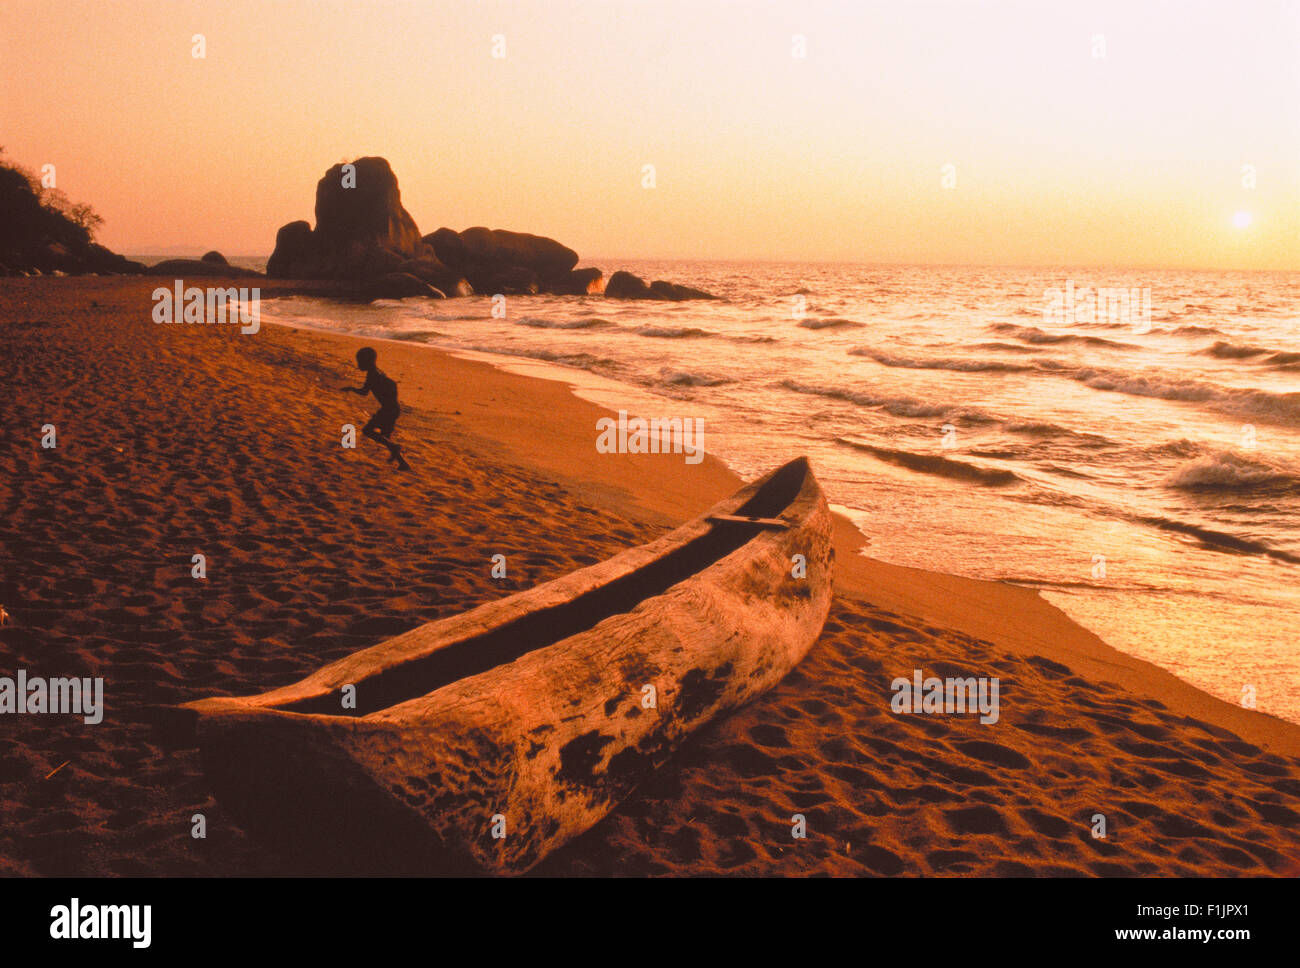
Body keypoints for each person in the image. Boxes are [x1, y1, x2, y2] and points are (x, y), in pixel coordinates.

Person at [340, 346, 410, 470]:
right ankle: (402, 463)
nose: (359, 364)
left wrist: (351, 389)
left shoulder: (372, 375)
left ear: (367, 362)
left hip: (387, 410)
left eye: (360, 361)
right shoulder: (378, 372)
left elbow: (364, 392)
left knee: (367, 431)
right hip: (393, 408)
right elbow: (392, 385)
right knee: (385, 437)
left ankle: (395, 449)